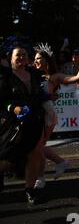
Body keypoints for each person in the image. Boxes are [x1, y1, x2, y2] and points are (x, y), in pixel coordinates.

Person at [32, 45, 79, 189]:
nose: (36, 62)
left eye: (39, 58)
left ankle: (41, 177)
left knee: (38, 147)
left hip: (47, 115)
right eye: (35, 59)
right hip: (34, 115)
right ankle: (58, 163)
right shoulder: (32, 74)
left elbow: (77, 77)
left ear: (47, 60)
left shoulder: (54, 77)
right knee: (37, 146)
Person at [0, 45, 46, 204]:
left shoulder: (34, 74)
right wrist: (14, 108)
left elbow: (39, 94)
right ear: (10, 58)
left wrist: (48, 97)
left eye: (24, 55)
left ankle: (29, 191)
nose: (21, 57)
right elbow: (3, 101)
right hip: (15, 125)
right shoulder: (5, 77)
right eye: (18, 55)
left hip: (35, 121)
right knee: (9, 157)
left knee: (34, 155)